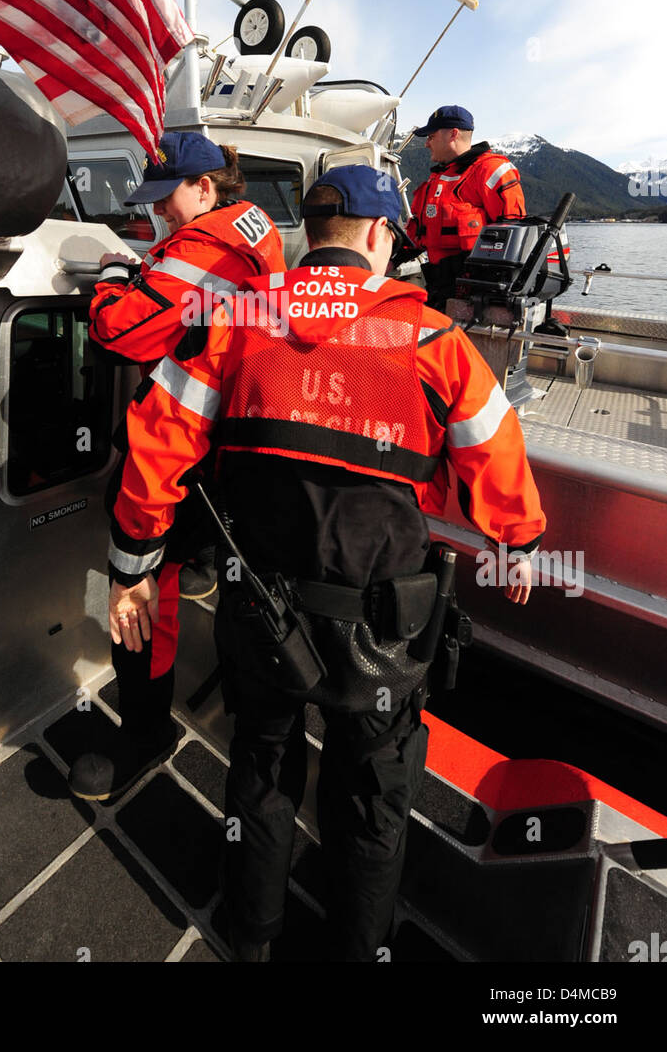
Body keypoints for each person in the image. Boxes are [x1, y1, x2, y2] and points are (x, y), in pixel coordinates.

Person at [105, 164, 545, 961]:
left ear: (307, 239)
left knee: (262, 772)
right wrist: (517, 540)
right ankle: (356, 947)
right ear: (380, 237)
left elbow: (154, 444)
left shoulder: (232, 323)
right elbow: (494, 447)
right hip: (385, 630)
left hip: (260, 617)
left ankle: (249, 934)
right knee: (371, 794)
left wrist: (133, 565)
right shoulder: (432, 340)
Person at [69, 130, 284, 804]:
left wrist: (111, 277)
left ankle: (144, 732)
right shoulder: (254, 233)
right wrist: (153, 266)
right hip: (230, 455)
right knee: (191, 578)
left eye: (168, 199)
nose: (159, 212)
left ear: (206, 186)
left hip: (175, 458)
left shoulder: (204, 248)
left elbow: (121, 332)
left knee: (136, 596)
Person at [406, 105, 526, 311]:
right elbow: (418, 233)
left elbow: (514, 237)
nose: (426, 144)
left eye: (431, 136)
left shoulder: (491, 170)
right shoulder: (437, 178)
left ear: (453, 134)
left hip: (475, 294)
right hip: (437, 288)